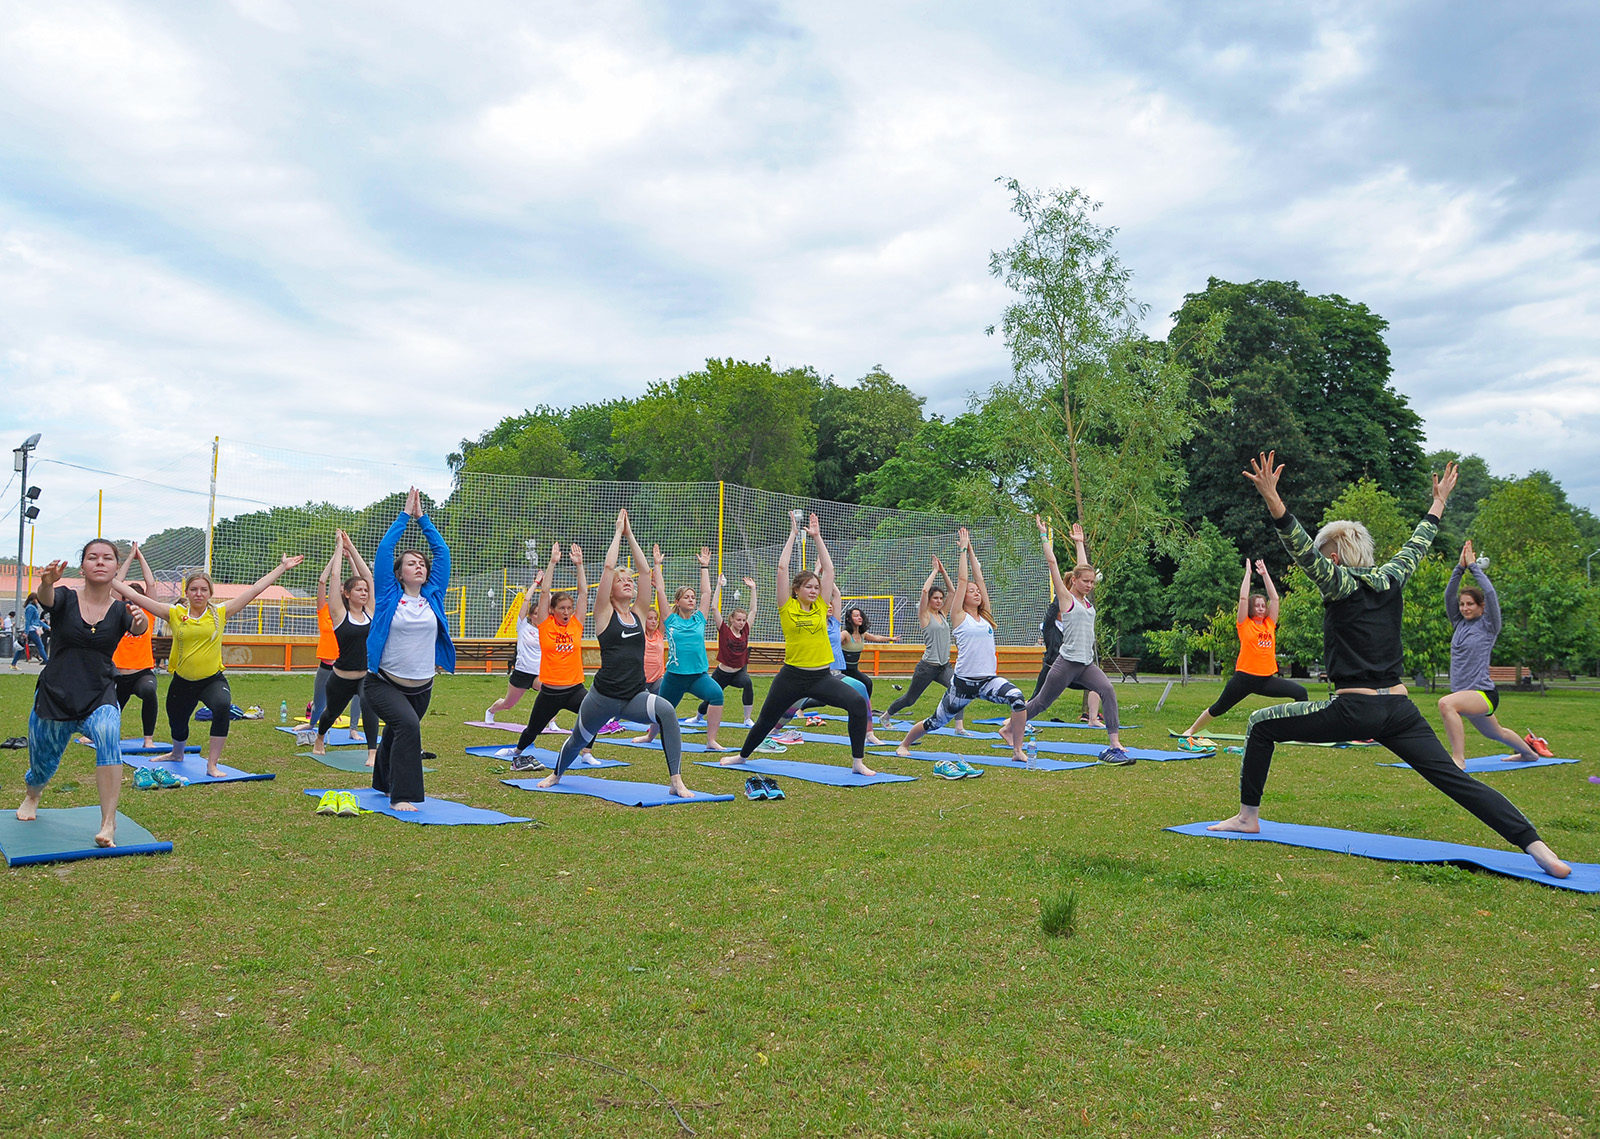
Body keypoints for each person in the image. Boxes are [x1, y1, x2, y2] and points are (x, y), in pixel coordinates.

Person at [1207, 453, 1569, 879]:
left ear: (1336, 559)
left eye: (1328, 558)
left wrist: (1272, 496)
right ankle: (1538, 847)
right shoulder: (1392, 576)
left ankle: (1248, 816)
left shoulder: (1338, 581)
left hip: (1353, 710)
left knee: (1260, 722)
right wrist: (1439, 503)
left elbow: (1299, 545)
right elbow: (1420, 540)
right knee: (1458, 782)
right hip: (1400, 711)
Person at [539, 509, 695, 796]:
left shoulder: (637, 613)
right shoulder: (603, 613)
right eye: (622, 580)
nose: (628, 582)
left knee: (667, 712)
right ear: (610, 590)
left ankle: (676, 781)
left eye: (630, 581)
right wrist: (616, 533)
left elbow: (646, 572)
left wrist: (630, 534)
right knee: (577, 740)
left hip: (634, 697)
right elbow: (608, 569)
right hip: (601, 698)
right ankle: (556, 774)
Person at [116, 553, 304, 778]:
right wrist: (108, 578)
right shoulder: (174, 613)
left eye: (203, 590)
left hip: (212, 680)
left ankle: (212, 765)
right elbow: (137, 598)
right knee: (178, 724)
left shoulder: (220, 613)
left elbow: (254, 590)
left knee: (222, 706)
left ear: (210, 593)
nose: (198, 593)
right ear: (186, 593)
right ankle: (177, 754)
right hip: (182, 681)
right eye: (194, 589)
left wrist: (281, 567)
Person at [16, 541, 147, 847]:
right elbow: (48, 599)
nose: (100, 562)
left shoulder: (120, 610)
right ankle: (32, 795)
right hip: (55, 694)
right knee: (42, 765)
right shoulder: (65, 597)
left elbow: (137, 628)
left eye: (107, 558)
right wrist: (46, 582)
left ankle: (108, 822)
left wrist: (140, 623)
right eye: (92, 557)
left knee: (108, 733)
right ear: (83, 566)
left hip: (98, 694)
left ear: (116, 567)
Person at [728, 512, 875, 775]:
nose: (814, 590)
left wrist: (817, 537)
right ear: (796, 590)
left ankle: (857, 762)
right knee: (765, 720)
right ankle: (742, 756)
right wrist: (793, 535)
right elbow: (782, 569)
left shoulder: (820, 607)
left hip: (821, 677)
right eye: (808, 587)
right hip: (791, 677)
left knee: (856, 703)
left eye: (816, 587)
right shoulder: (787, 607)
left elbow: (829, 570)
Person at [897, 527, 1033, 764]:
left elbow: (978, 577)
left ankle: (1017, 749)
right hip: (962, 684)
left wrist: (971, 551)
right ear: (963, 596)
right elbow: (962, 580)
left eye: (978, 591)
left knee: (1018, 698)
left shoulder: (986, 616)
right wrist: (961, 551)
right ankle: (904, 744)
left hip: (988, 680)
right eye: (971, 591)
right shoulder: (959, 616)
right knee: (935, 722)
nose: (976, 592)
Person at [357, 488, 454, 809]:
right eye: (410, 564)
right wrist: (404, 516)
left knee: (397, 731)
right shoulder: (387, 594)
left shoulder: (433, 595)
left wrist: (423, 519)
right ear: (399, 573)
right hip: (382, 683)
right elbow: (385, 551)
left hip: (422, 686)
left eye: (421, 564)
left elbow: (442, 552)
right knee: (408, 728)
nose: (418, 567)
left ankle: (382, 783)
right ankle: (402, 795)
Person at [1011, 517, 1132, 764]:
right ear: (1073, 581)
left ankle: (1114, 741)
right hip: (1065, 663)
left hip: (1086, 663)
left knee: (1107, 689)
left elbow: (1083, 568)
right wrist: (1044, 536)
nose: (1089, 585)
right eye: (1084, 581)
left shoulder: (1087, 600)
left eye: (1091, 582)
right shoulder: (1066, 600)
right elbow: (1052, 562)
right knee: (1041, 703)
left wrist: (1080, 543)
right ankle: (1010, 725)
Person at [1438, 539, 1543, 767]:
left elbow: (1491, 593)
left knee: (1446, 704)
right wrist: (1459, 567)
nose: (1465, 608)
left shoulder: (1489, 626)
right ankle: (1529, 754)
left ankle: (1458, 758)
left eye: (1470, 604)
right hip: (1465, 693)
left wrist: (1473, 567)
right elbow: (1449, 596)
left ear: (1481, 607)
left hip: (1482, 693)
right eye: (1463, 604)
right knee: (1496, 733)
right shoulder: (1459, 624)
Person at [1180, 558, 1308, 742]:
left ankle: (1301, 731)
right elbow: (1242, 598)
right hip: (1244, 679)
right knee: (1218, 708)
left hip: (1266, 680)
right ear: (1250, 608)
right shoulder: (1244, 624)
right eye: (1257, 605)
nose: (1261, 608)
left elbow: (1275, 598)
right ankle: (1191, 730)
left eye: (1263, 606)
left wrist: (1265, 575)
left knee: (1301, 693)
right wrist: (1248, 574)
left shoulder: (1269, 624)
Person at [506, 541, 595, 771]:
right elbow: (545, 592)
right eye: (562, 608)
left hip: (575, 688)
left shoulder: (576, 625)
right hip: (550, 691)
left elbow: (584, 593)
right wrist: (553, 563)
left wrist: (580, 565)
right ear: (553, 610)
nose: (566, 612)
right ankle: (517, 752)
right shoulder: (545, 626)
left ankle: (586, 753)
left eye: (569, 608)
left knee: (594, 714)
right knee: (533, 728)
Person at [653, 546, 731, 750]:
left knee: (717, 695)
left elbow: (707, 592)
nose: (691, 599)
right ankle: (650, 736)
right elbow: (660, 590)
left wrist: (704, 566)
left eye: (693, 597)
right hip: (675, 676)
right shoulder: (670, 620)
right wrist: (657, 565)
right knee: (661, 708)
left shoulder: (699, 619)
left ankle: (711, 740)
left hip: (698, 675)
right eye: (687, 597)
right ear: (677, 601)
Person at [313, 530, 377, 766]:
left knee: (369, 707)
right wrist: (339, 547)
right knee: (330, 713)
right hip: (340, 677)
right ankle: (319, 738)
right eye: (358, 590)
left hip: (365, 675)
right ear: (347, 594)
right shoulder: (340, 614)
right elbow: (335, 576)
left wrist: (352, 546)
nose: (364, 592)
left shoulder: (370, 612)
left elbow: (368, 577)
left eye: (365, 591)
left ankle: (372, 752)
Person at [111, 543, 160, 749]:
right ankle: (96, 734)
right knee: (108, 705)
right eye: (128, 599)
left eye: (136, 600)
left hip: (141, 674)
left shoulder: (148, 614)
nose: (132, 604)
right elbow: (115, 582)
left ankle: (148, 739)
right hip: (118, 675)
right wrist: (130, 557)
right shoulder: (116, 613)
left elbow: (151, 585)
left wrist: (141, 558)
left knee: (149, 690)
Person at [694, 575, 759, 727]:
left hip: (738, 673)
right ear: (732, 620)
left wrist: (753, 589)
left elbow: (753, 610)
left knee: (747, 683)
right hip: (722, 673)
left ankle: (747, 718)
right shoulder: (723, 630)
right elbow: (714, 608)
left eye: (743, 620)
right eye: (739, 620)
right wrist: (718, 586)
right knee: (711, 697)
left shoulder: (746, 630)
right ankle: (698, 716)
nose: (742, 623)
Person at [485, 569, 543, 723]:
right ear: (531, 615)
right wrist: (536, 583)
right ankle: (491, 711)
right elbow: (525, 601)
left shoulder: (547, 629)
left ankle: (551, 722)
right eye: (535, 613)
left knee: (550, 694)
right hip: (523, 671)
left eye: (541, 613)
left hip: (539, 673)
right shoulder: (523, 625)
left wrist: (546, 589)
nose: (538, 616)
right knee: (508, 704)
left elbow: (550, 604)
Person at [839, 605, 896, 700]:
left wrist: (891, 638)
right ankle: (805, 704)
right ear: (849, 619)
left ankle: (866, 709)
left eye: (860, 615)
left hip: (853, 670)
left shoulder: (862, 634)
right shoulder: (845, 634)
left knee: (867, 683)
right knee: (831, 697)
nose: (859, 617)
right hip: (842, 671)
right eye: (856, 616)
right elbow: (833, 643)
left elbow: (876, 638)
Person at [10, 592, 47, 668]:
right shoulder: (31, 608)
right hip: (32, 630)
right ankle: (47, 661)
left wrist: (46, 626)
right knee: (40, 646)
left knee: (21, 648)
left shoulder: (32, 607)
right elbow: (28, 621)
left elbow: (37, 620)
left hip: (30, 630)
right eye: (37, 599)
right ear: (34, 599)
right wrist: (26, 632)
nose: (38, 601)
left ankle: (13, 664)